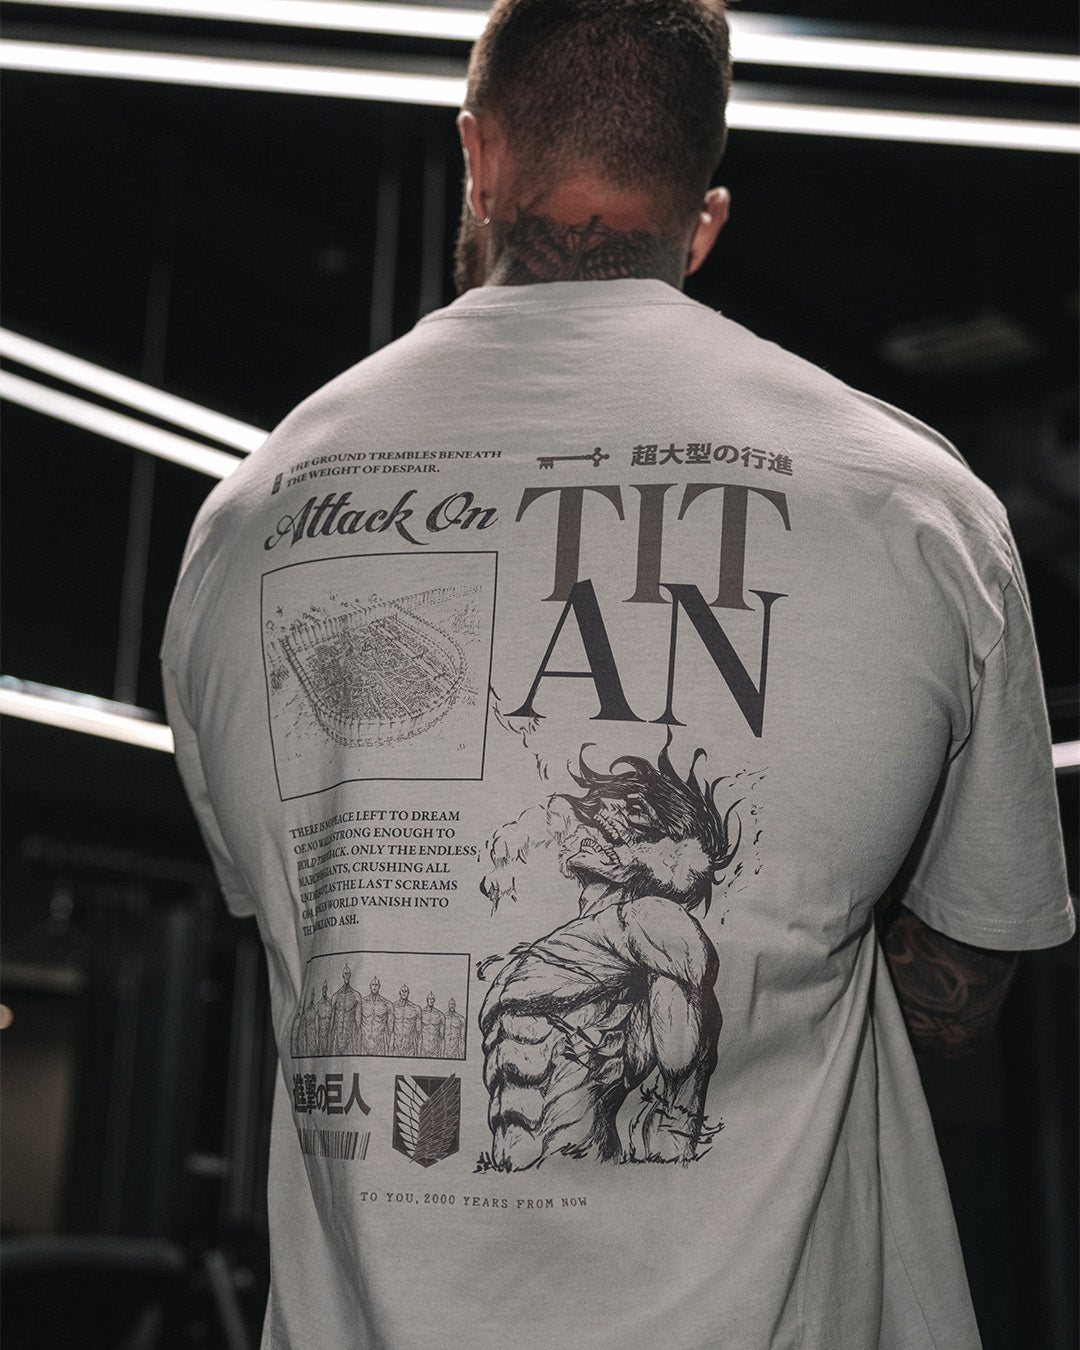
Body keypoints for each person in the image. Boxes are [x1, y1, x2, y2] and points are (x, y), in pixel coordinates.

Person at [161, 1, 1074, 1345]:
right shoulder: (917, 509)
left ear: (478, 159)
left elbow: (299, 930)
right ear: (702, 222)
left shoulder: (249, 521)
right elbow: (962, 995)